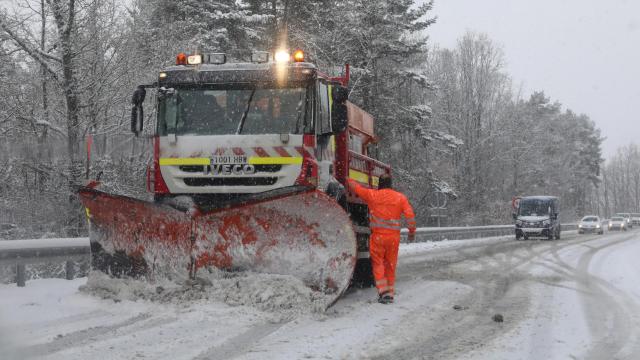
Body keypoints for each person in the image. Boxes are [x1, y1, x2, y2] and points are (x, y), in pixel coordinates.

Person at [347, 174, 416, 304]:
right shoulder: (400, 198)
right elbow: (410, 215)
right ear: (391, 184)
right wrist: (411, 232)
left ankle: (383, 291)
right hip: (393, 239)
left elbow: (357, 189)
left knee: (378, 263)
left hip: (378, 237)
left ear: (380, 184)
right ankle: (390, 292)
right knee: (390, 265)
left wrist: (348, 179)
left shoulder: (373, 195)